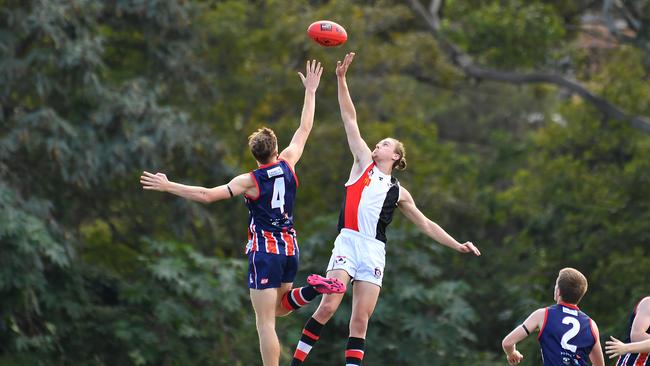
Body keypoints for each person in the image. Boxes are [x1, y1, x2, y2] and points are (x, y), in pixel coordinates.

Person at [140, 60, 345, 366]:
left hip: (265, 250)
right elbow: (304, 129)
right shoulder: (288, 162)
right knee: (281, 308)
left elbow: (207, 195)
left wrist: (168, 185)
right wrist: (311, 91)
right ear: (275, 149)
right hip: (290, 246)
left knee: (265, 322)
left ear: (255, 154)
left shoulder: (249, 181)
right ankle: (313, 288)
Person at [288, 52, 481, 366]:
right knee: (328, 305)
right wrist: (341, 79)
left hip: (374, 252)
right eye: (378, 142)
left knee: (360, 321)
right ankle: (296, 363)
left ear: (396, 156)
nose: (378, 144)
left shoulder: (399, 191)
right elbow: (349, 118)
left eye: (385, 144)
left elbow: (427, 224)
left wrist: (456, 244)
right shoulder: (363, 163)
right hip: (348, 241)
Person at [501, 267, 605, 366]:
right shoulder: (591, 325)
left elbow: (507, 343)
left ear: (558, 291)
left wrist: (512, 353)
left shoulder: (543, 315)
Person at [606, 296, 650, 365]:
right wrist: (626, 348)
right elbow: (637, 336)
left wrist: (626, 348)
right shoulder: (648, 303)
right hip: (638, 362)